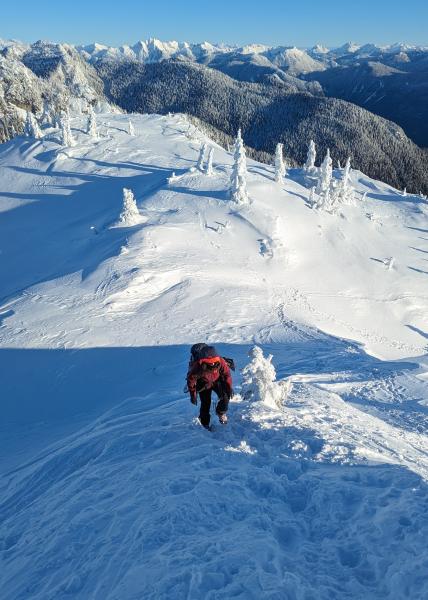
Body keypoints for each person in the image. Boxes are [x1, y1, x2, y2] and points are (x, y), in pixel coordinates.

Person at [187, 344, 233, 429]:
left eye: (215, 367)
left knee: (225, 396)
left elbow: (227, 375)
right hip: (203, 384)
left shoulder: (220, 361)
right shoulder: (197, 366)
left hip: (217, 381)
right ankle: (205, 424)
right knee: (205, 404)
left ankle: (221, 412)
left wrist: (229, 387)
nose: (214, 369)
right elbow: (191, 380)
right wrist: (192, 394)